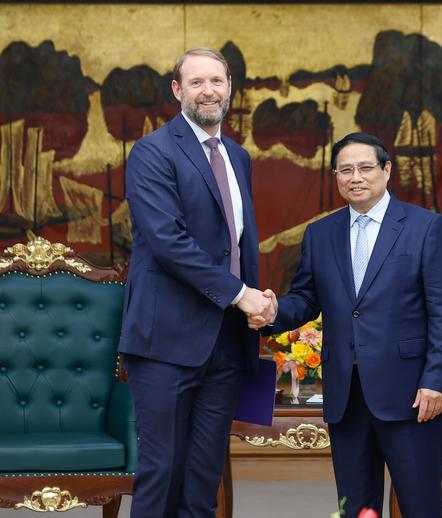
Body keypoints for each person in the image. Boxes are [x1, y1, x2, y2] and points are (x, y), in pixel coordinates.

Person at [259, 132, 442, 518]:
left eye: (365, 168)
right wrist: (269, 312)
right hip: (347, 396)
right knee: (355, 509)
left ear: (387, 170)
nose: (356, 177)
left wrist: (436, 380)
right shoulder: (321, 233)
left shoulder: (425, 227)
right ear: (336, 176)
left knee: (421, 507)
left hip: (411, 396)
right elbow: (305, 299)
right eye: (345, 170)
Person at [119, 47, 276, 518]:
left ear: (230, 87)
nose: (208, 91)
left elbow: (236, 243)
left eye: (216, 81)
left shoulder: (239, 157)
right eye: (196, 82)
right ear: (177, 90)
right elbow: (168, 242)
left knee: (203, 482)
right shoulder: (152, 151)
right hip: (164, 344)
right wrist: (242, 295)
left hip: (225, 344)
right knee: (161, 474)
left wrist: (256, 300)